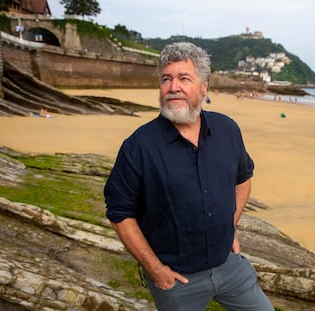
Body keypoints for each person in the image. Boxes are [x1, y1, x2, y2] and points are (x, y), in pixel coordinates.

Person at [104, 42, 273, 311]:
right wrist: (155, 269)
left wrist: (230, 227)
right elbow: (119, 213)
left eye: (184, 78)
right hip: (178, 282)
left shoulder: (227, 129)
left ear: (204, 86)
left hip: (230, 266)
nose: (174, 87)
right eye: (166, 79)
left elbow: (243, 179)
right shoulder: (139, 146)